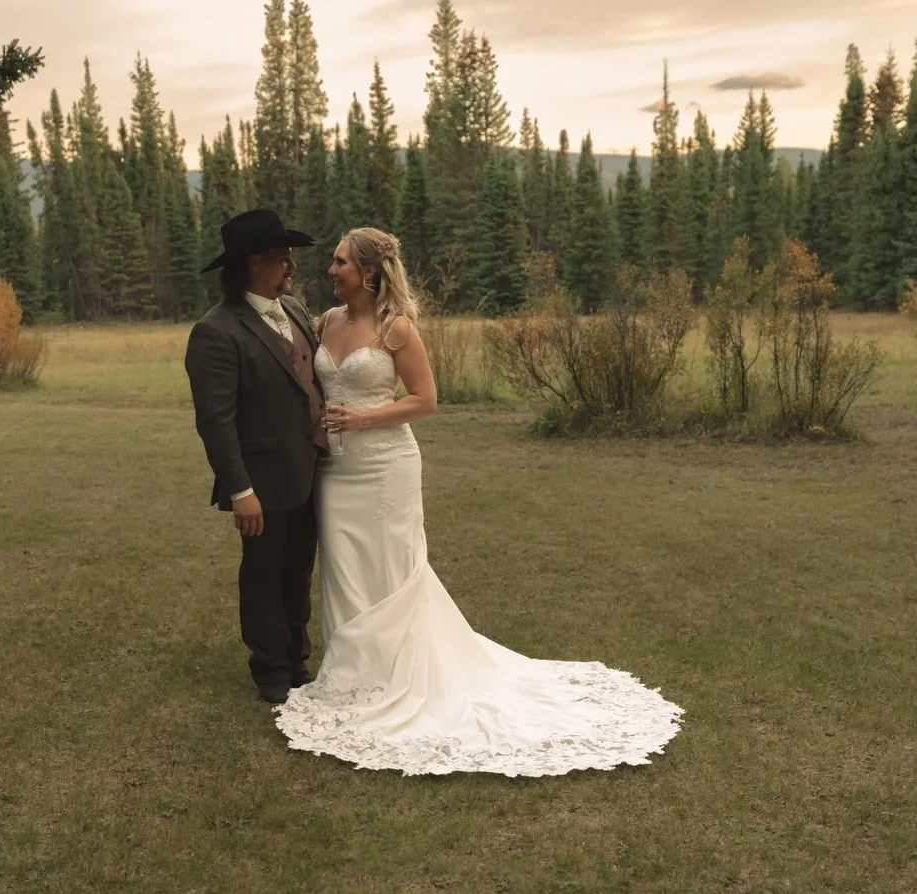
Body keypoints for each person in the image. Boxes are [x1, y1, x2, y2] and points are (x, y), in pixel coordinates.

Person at [274, 227, 684, 777]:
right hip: (336, 471)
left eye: (341, 262)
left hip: (385, 467)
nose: (331, 270)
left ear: (369, 272)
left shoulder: (397, 330)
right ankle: (352, 676)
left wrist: (365, 418)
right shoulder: (326, 322)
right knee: (345, 570)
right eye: (333, 262)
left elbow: (426, 400)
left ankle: (399, 677)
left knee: (392, 569)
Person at [184, 209, 327, 705]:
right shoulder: (216, 332)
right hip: (261, 481)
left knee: (298, 570)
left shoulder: (294, 310)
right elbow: (215, 421)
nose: (290, 267)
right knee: (265, 573)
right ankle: (270, 669)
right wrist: (241, 491)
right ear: (252, 264)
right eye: (281, 258)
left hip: (310, 471)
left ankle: (297, 660)